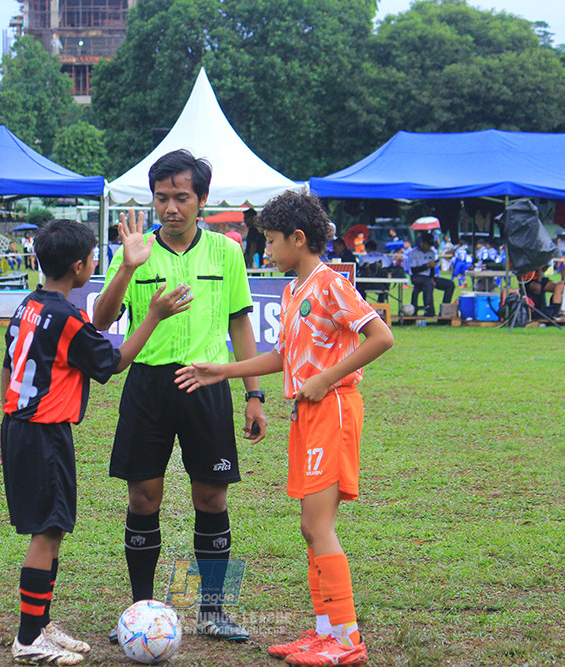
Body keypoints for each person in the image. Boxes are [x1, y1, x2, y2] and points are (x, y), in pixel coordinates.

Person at [174, 191, 394, 667]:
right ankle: (325, 631)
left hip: (333, 408)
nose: (266, 250)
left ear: (298, 238)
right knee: (309, 527)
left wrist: (327, 377)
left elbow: (381, 337)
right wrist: (222, 371)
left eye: (271, 241)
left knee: (318, 525)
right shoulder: (294, 290)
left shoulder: (331, 284)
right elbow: (284, 357)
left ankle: (346, 640)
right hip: (306, 413)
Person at [0, 219, 191, 666]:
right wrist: (153, 317)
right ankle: (28, 639)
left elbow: (8, 366)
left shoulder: (30, 304)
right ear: (80, 267)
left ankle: (42, 623)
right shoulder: (66, 318)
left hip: (22, 425)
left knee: (53, 528)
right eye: (93, 259)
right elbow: (115, 362)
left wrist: (5, 424)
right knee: (48, 530)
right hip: (43, 432)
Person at [91, 149, 266, 643]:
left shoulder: (227, 252)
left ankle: (212, 610)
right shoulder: (134, 250)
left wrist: (254, 395)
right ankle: (141, 611)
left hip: (207, 384)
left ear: (202, 199)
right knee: (143, 497)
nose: (170, 207)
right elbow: (101, 320)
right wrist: (126, 268)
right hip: (147, 385)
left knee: (212, 497)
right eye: (161, 197)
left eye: (181, 197)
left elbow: (239, 322)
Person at [408, 234, 455, 317]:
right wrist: (426, 266)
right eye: (428, 245)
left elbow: (432, 270)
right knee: (428, 283)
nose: (429, 247)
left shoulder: (431, 253)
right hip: (417, 277)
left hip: (429, 277)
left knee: (450, 284)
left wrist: (432, 276)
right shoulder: (413, 253)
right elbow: (414, 270)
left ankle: (445, 309)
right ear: (422, 243)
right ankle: (429, 309)